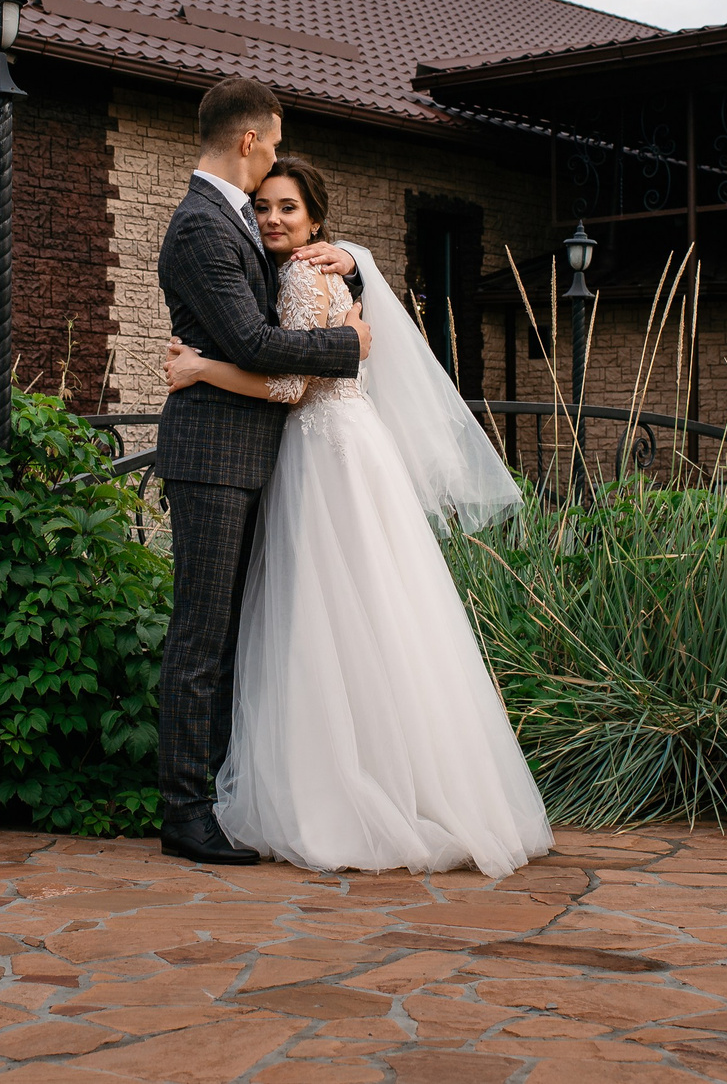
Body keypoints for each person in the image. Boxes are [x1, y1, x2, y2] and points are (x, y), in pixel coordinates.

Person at [164, 156, 552, 878]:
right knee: (360, 618)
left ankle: (344, 794)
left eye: (289, 208)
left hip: (326, 456)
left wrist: (199, 368)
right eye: (265, 207)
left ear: (315, 218)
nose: (274, 218)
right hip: (336, 449)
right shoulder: (330, 268)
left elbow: (285, 383)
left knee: (326, 618)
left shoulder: (303, 274)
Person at [153, 77, 371, 866]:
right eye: (274, 143)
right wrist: (346, 347)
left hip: (250, 456)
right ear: (250, 141)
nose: (277, 158)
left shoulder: (237, 220)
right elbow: (252, 341)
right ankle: (185, 811)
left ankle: (217, 793)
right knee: (201, 639)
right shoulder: (201, 227)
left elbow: (289, 279)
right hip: (213, 457)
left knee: (229, 640)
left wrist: (349, 262)